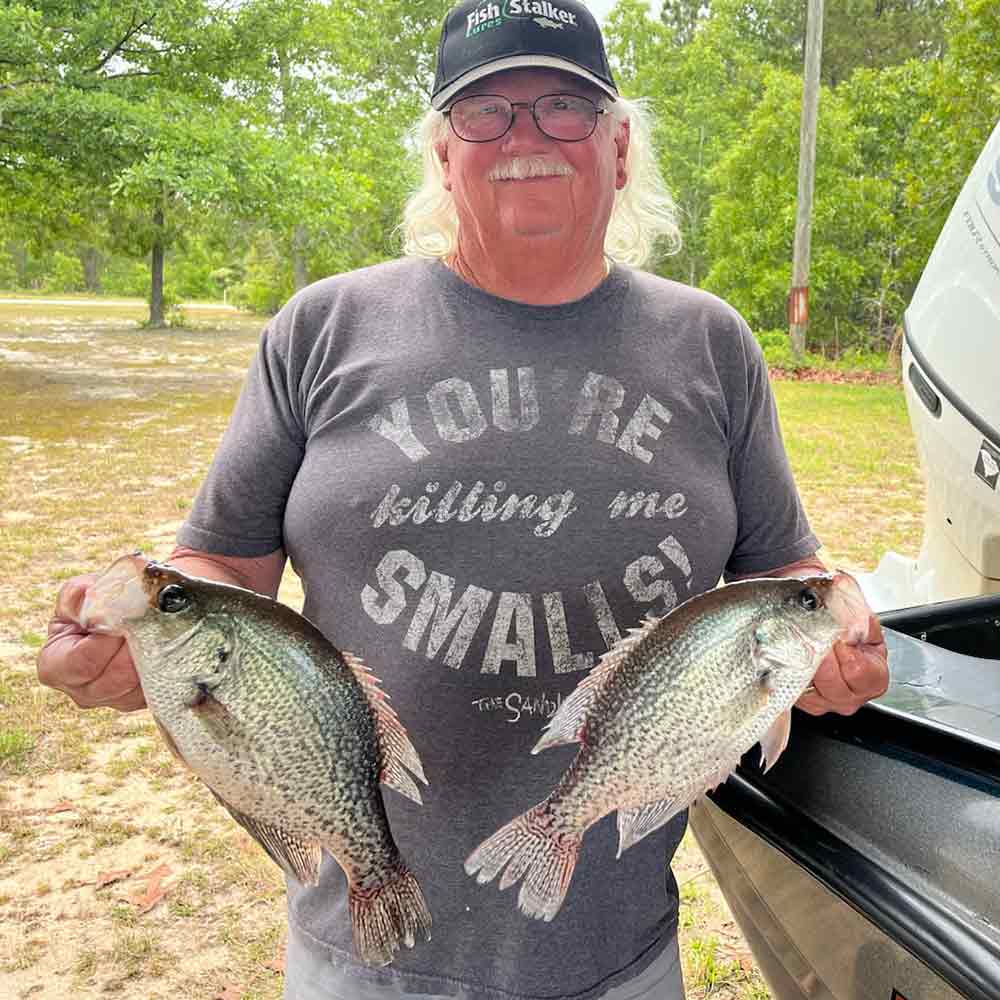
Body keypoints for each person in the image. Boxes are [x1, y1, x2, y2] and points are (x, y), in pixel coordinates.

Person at [37, 1, 889, 997]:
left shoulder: (711, 344)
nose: (526, 136)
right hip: (364, 962)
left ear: (619, 147)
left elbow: (781, 571)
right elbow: (220, 566)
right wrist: (139, 630)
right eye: (485, 112)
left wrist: (835, 641)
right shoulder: (322, 329)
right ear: (443, 154)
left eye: (564, 106)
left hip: (619, 953)